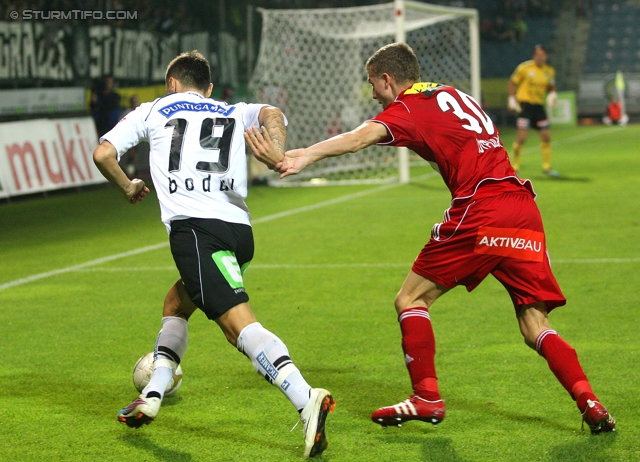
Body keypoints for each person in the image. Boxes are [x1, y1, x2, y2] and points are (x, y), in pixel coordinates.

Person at [245, 42, 615, 434]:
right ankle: (590, 403)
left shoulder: (408, 107)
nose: (372, 94)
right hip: (522, 207)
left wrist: (299, 156)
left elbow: (357, 138)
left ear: (388, 79)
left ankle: (426, 397)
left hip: (482, 208)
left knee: (410, 299)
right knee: (534, 322)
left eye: (373, 84)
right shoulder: (454, 94)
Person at [92, 50, 335, 459]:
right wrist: (275, 148)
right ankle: (152, 393)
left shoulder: (152, 110)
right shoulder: (231, 109)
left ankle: (304, 395)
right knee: (176, 302)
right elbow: (274, 112)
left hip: (196, 232)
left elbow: (103, 154)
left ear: (172, 83)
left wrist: (128, 186)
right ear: (206, 88)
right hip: (239, 232)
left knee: (236, 326)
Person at [508, 45, 558, 176]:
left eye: (542, 54)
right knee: (522, 138)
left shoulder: (549, 71)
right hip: (525, 106)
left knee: (546, 136)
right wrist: (512, 99)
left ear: (545, 56)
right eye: (537, 54)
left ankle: (546, 168)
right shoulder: (524, 68)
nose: (540, 57)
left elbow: (551, 86)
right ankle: (515, 168)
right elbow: (513, 82)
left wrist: (553, 95)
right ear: (534, 55)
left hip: (538, 107)